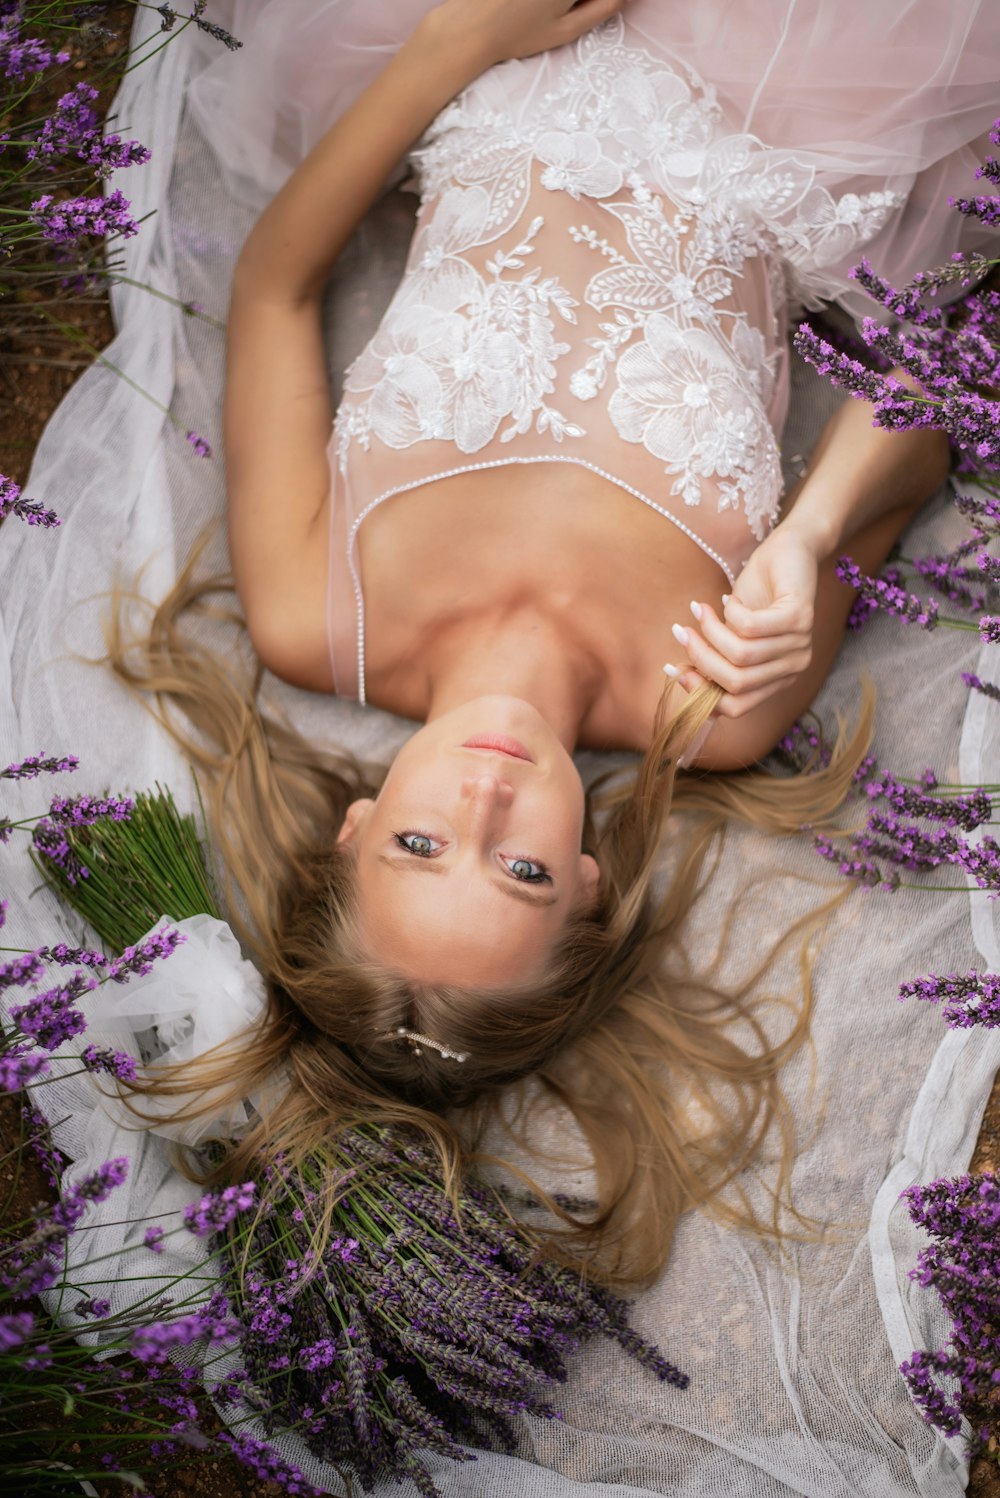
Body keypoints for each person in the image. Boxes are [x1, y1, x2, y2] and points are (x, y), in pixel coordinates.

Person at [112, 0, 996, 1282]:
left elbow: (275, 283)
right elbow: (933, 380)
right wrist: (810, 532)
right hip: (796, 101)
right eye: (518, 872)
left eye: (420, 848)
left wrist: (456, 46)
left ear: (354, 826)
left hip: (495, 56)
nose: (484, 796)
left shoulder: (316, 614)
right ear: (586, 885)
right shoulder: (713, 702)